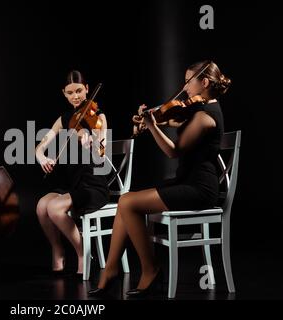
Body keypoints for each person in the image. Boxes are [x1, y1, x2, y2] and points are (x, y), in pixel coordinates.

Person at [88, 60, 231, 297]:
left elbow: (174, 151)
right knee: (127, 202)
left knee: (127, 203)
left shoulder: (207, 117)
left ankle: (150, 270)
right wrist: (149, 119)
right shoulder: (197, 110)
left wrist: (152, 126)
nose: (184, 87)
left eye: (188, 81)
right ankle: (111, 271)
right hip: (186, 181)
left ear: (204, 82)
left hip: (199, 189)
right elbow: (173, 120)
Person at [35, 70, 110, 277]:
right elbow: (40, 147)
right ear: (64, 94)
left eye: (79, 91)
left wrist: (93, 142)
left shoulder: (98, 116)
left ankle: (82, 252)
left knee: (55, 208)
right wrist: (42, 157)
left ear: (87, 89)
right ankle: (57, 249)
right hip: (73, 185)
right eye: (70, 93)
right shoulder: (64, 119)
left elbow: (102, 154)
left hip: (93, 186)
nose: (75, 96)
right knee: (42, 207)